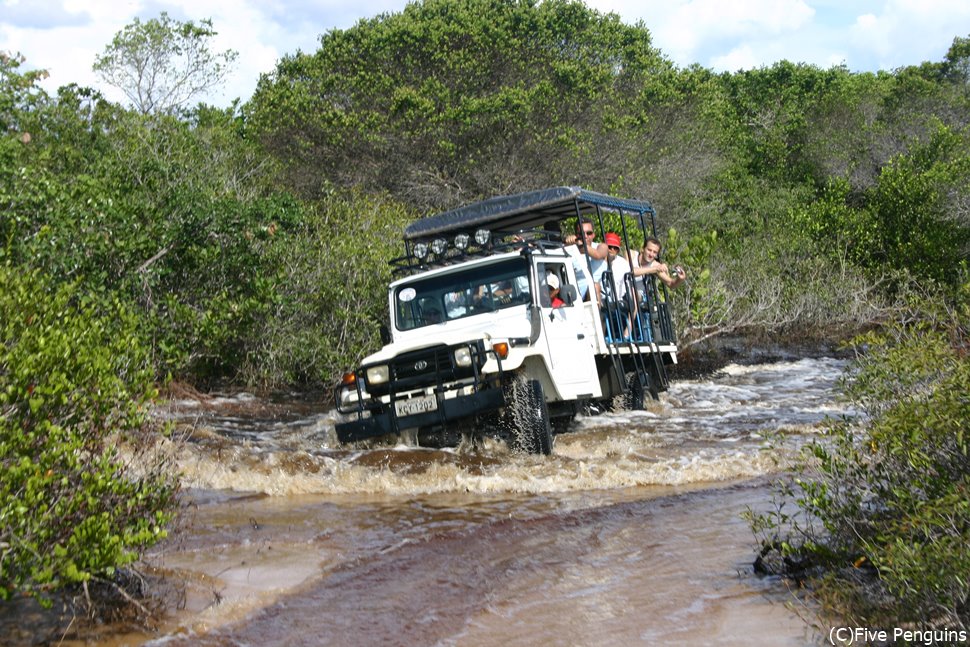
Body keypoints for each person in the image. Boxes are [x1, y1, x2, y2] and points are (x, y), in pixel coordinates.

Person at [564, 217, 609, 302]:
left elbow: (597, 255)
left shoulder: (601, 246)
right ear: (576, 235)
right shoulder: (571, 251)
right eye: (581, 234)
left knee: (594, 287)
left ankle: (597, 315)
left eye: (589, 233)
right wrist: (568, 243)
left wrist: (580, 244)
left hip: (599, 295)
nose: (585, 236)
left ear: (593, 235)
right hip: (577, 296)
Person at [601, 232, 632, 338]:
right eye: (610, 247)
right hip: (601, 297)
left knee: (634, 298)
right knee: (601, 309)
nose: (612, 250)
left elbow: (626, 285)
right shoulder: (596, 260)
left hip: (617, 297)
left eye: (616, 248)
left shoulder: (623, 264)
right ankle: (601, 338)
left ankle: (627, 334)